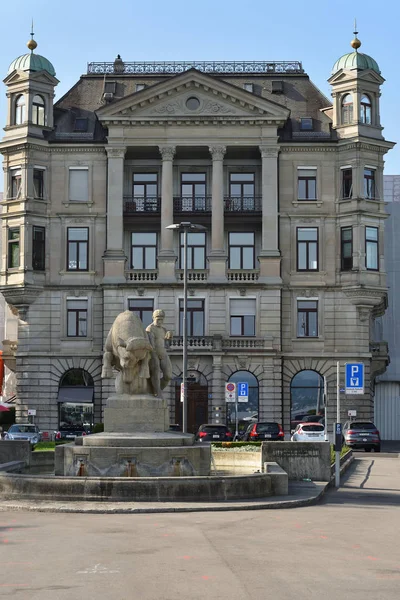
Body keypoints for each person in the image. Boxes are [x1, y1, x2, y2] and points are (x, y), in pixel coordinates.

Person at [146, 309, 173, 396]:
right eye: (158, 319)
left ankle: (154, 389)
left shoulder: (164, 329)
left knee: (168, 375)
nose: (160, 321)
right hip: (154, 353)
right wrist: (153, 354)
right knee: (156, 373)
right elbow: (150, 343)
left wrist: (169, 336)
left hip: (163, 353)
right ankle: (157, 392)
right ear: (153, 318)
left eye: (161, 319)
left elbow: (167, 344)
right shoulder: (150, 328)